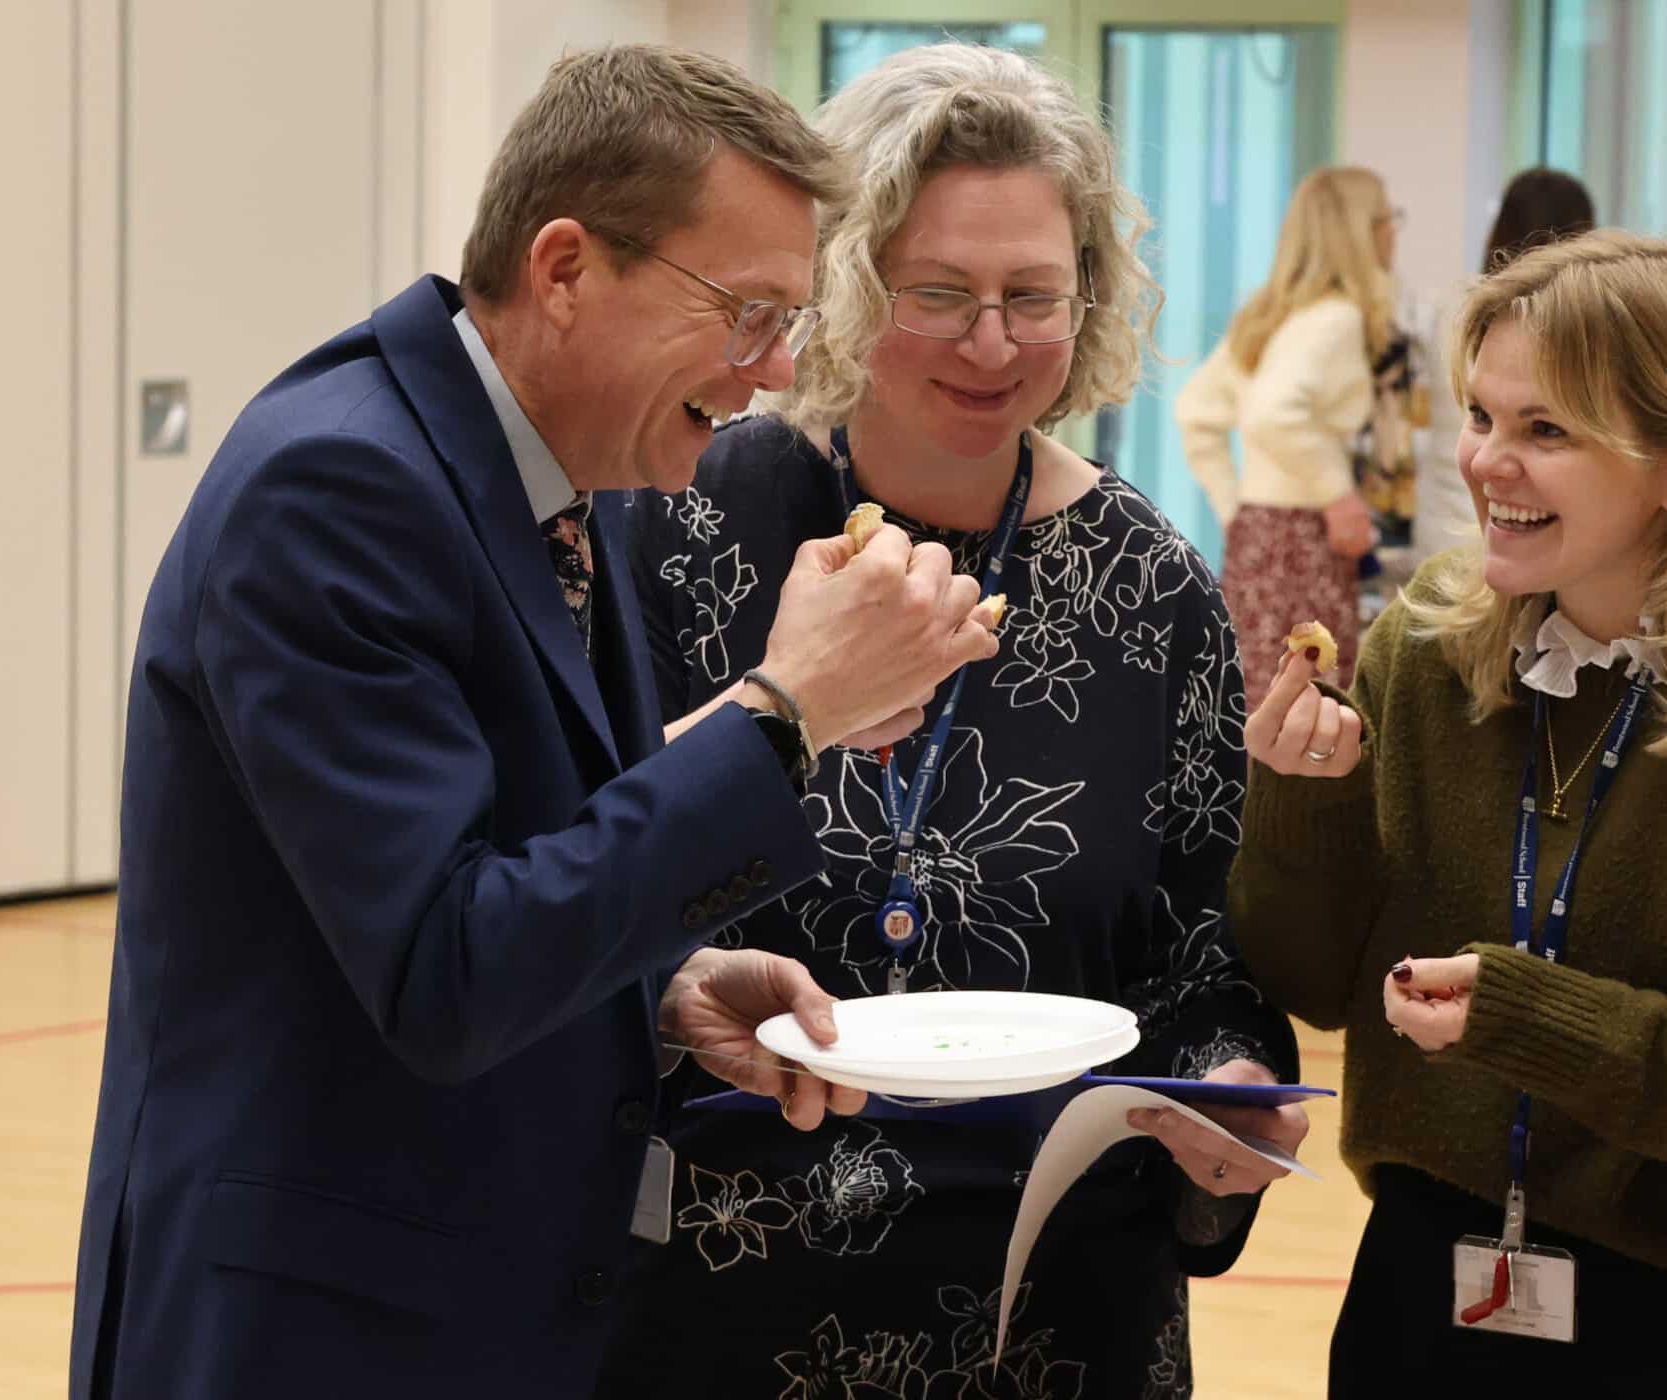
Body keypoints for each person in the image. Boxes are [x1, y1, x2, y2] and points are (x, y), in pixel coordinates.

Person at [70, 45, 1004, 1400]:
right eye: (745, 312)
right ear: (565, 268)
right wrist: (786, 713)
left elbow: (529, 852)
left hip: (475, 1304)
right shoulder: (339, 487)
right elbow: (446, 971)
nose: (777, 368)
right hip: (320, 1327)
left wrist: (662, 990)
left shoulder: (575, 473)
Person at [596, 44, 1306, 1399]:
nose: (994, 345)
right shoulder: (687, 522)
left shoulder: (1151, 588)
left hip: (1061, 1300)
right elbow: (580, 862)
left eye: (1033, 297)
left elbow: (1206, 939)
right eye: (940, 294)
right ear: (848, 289)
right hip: (730, 1289)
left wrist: (1228, 1072)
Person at [1230, 231, 1667, 1396]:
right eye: (1480, 415)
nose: (1487, 463)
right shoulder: (1422, 651)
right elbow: (1306, 976)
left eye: (1546, 430)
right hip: (1422, 1292)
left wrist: (1533, 1018)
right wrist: (1308, 806)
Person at [1176, 166, 1409, 706]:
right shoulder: (1335, 320)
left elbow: (1195, 411)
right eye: (1386, 218)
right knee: (1311, 711)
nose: (1393, 232)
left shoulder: (1269, 317)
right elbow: (1275, 412)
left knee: (1257, 702)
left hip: (1259, 539)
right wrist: (1336, 495)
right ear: (1362, 231)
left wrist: (1237, 510)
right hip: (1304, 542)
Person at [1415, 167, 1601, 572]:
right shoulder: (1567, 330)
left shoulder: (1453, 302)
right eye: (1481, 416)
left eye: (1545, 428)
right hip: (1487, 517)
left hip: (1453, 512)